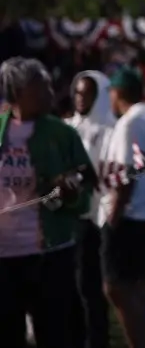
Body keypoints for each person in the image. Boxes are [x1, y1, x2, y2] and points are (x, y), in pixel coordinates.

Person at [0, 57, 94, 348]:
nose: (51, 93)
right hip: (4, 257)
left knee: (56, 334)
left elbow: (86, 186)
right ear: (18, 91)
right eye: (41, 87)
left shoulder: (62, 134)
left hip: (51, 253)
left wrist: (70, 192)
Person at [99, 67, 145, 348]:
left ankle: (136, 342)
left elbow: (126, 175)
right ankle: (140, 340)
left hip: (131, 214)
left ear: (118, 93)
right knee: (137, 284)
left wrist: (114, 216)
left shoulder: (130, 123)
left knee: (115, 286)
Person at [68, 70, 117, 348]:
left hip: (96, 217)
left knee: (91, 286)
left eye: (87, 93)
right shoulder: (68, 127)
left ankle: (97, 339)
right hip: (66, 217)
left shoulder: (111, 131)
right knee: (69, 286)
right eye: (77, 92)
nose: (80, 98)